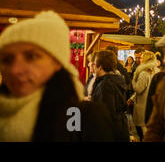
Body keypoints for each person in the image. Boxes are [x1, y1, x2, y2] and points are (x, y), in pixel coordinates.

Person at [0, 11, 114, 141]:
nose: (15, 70)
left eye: (32, 56)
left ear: (57, 62)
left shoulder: (81, 116)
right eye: (7, 59)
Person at [91, 50, 129, 142]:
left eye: (94, 63)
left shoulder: (105, 84)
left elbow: (106, 113)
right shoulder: (115, 80)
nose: (92, 65)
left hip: (111, 132)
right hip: (119, 127)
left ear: (100, 67)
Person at [128, 51, 159, 141]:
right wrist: (132, 98)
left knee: (142, 130)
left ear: (145, 60)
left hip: (143, 105)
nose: (140, 60)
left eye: (141, 58)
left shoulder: (144, 73)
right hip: (152, 104)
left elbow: (138, 89)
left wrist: (133, 80)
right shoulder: (157, 71)